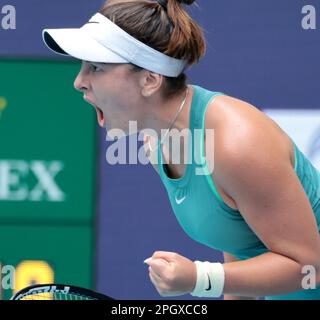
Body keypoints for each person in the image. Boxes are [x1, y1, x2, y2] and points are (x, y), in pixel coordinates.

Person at [42, 0, 320, 300]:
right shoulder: (156, 142)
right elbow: (239, 237)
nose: (79, 82)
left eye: (95, 67)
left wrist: (199, 278)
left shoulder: (236, 145)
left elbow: (309, 268)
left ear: (149, 80)